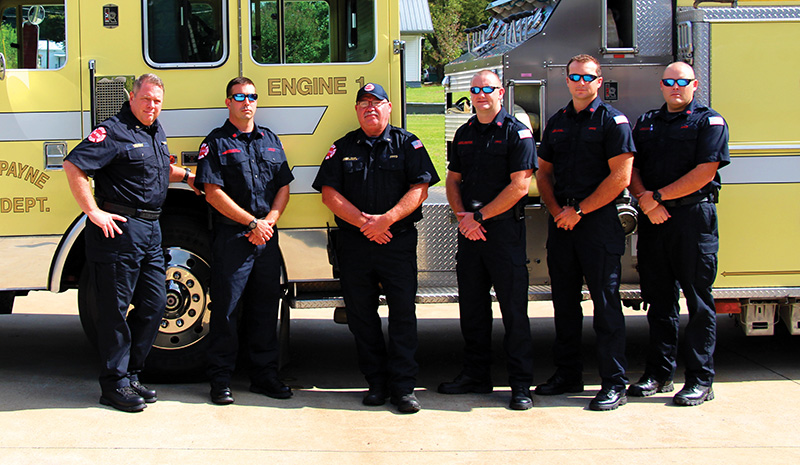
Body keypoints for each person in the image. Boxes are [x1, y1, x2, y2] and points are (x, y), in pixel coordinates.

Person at [64, 74, 197, 412]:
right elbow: (74, 165)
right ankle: (114, 384)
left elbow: (157, 169)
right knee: (114, 311)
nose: (152, 106)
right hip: (119, 231)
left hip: (151, 230)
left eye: (157, 101)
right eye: (146, 99)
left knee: (154, 305)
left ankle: (132, 374)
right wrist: (93, 212)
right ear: (131, 96)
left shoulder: (155, 130)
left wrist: (188, 177)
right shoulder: (113, 131)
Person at [312, 83, 439, 414]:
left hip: (396, 242)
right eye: (364, 103)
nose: (370, 108)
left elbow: (420, 188)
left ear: (389, 107)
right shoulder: (342, 147)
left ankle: (403, 388)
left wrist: (387, 220)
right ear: (356, 111)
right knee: (361, 317)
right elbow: (329, 194)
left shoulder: (407, 144)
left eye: (376, 102)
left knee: (402, 315)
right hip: (355, 244)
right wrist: (366, 224)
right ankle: (376, 383)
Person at [534, 54, 635, 411]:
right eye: (574, 76)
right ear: (567, 79)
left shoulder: (613, 122)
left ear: (599, 80)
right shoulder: (557, 122)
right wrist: (557, 210)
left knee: (605, 306)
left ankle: (614, 383)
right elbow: (543, 173)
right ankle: (567, 374)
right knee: (564, 303)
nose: (580, 82)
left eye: (587, 77)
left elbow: (620, 177)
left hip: (597, 224)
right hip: (562, 222)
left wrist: (579, 211)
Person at [627, 62, 729, 406]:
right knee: (659, 302)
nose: (675, 87)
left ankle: (701, 379)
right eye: (669, 82)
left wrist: (656, 197)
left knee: (699, 303)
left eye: (681, 82)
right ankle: (659, 374)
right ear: (661, 85)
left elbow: (704, 172)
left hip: (692, 217)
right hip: (655, 220)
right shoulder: (647, 122)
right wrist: (646, 200)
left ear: (694, 85)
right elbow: (633, 167)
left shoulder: (709, 122)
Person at [437, 70, 536, 410]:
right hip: (470, 233)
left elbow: (519, 186)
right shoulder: (464, 133)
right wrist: (464, 216)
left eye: (488, 89)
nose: (481, 95)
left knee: (513, 311)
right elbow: (453, 180)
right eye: (476, 90)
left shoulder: (517, 132)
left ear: (501, 93)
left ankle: (521, 384)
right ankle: (476, 375)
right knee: (473, 309)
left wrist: (479, 217)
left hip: (503, 233)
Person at [195, 77, 294, 405]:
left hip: (266, 238)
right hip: (233, 238)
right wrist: (252, 222)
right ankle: (220, 380)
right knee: (227, 310)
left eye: (251, 96)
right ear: (228, 102)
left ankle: (265, 375)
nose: (246, 102)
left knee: (266, 309)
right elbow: (212, 192)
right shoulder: (216, 142)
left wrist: (269, 222)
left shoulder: (270, 140)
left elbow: (283, 186)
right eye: (239, 97)